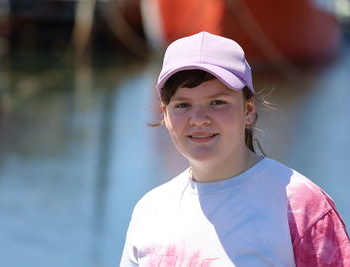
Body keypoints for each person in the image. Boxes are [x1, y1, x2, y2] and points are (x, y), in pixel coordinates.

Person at [120, 31, 350, 266]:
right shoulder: (150, 212)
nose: (199, 119)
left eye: (218, 102)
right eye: (183, 105)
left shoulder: (300, 205)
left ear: (248, 110)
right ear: (165, 115)